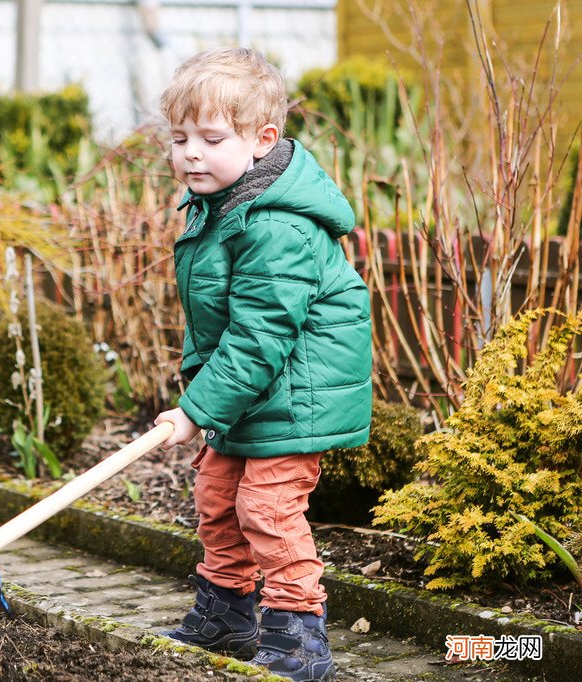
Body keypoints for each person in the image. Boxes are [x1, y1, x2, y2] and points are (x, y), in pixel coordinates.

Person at [153, 46, 372, 682]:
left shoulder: (277, 225)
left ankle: (298, 637)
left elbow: (260, 335)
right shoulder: (217, 206)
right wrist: (206, 401)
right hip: (249, 391)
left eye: (211, 138)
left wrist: (197, 410)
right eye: (180, 137)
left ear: (262, 139)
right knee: (217, 497)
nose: (191, 152)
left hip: (293, 392)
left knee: (269, 512)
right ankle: (227, 614)